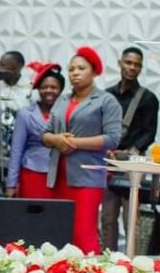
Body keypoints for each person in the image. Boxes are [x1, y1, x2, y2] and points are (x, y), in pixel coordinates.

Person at [42, 46, 122, 254]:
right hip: (57, 175)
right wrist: (57, 139)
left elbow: (112, 139)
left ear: (94, 71)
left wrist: (75, 143)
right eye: (71, 69)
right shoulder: (63, 99)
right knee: (57, 233)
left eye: (81, 68)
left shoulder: (106, 101)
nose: (75, 73)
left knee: (83, 233)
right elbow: (45, 134)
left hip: (87, 174)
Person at [100, 46, 160, 250]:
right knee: (107, 216)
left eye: (136, 65)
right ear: (120, 63)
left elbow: (149, 133)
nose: (132, 68)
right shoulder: (107, 95)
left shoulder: (148, 98)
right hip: (108, 160)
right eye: (128, 63)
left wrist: (129, 153)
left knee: (130, 217)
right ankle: (108, 258)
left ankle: (131, 260)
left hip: (133, 162)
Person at [6, 62, 65, 199]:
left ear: (61, 90)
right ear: (38, 89)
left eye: (53, 87)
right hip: (33, 172)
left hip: (60, 175)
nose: (48, 91)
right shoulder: (25, 114)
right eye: (44, 87)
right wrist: (11, 184)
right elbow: (16, 151)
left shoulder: (67, 111)